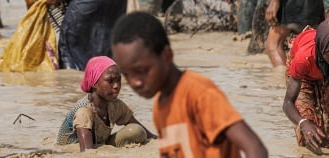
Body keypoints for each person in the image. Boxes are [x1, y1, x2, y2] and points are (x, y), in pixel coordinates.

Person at [111, 12, 269, 158]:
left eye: (142, 70)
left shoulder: (197, 92)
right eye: (126, 74)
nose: (135, 82)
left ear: (167, 55)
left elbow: (254, 147)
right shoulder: (159, 108)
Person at [56, 56, 155, 151]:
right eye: (110, 81)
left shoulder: (115, 105)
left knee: (137, 131)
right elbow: (87, 153)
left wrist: (159, 140)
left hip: (99, 143)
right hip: (76, 149)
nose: (116, 86)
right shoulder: (84, 111)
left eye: (118, 80)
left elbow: (140, 127)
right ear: (94, 83)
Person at [283, 20, 329, 154]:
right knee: (310, 137)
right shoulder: (303, 59)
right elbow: (288, 103)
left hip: (324, 73)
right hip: (303, 76)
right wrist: (303, 122)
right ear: (321, 49)